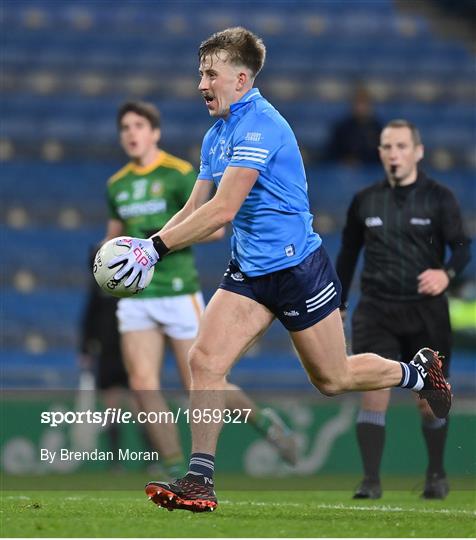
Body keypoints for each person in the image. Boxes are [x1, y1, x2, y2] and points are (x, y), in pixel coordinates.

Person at [108, 28, 452, 513]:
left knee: (332, 380)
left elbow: (224, 210)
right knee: (205, 360)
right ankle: (200, 478)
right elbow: (196, 204)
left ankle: (416, 372)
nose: (201, 84)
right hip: (249, 273)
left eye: (211, 74)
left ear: (242, 79)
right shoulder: (218, 133)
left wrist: (156, 249)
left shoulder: (262, 126)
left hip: (298, 271)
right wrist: (147, 246)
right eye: (199, 73)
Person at [105, 100, 298, 478]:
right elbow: (113, 238)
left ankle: (262, 422)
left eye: (138, 126)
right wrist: (108, 259)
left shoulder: (178, 174)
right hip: (138, 298)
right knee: (143, 384)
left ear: (154, 133)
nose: (131, 134)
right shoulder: (117, 184)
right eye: (125, 127)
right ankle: (177, 468)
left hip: (179, 291)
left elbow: (215, 227)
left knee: (201, 379)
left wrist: (159, 241)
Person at [335, 119, 471, 500]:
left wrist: (445, 274)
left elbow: (462, 248)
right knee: (373, 391)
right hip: (376, 309)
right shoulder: (365, 199)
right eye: (387, 147)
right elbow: (347, 255)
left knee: (429, 400)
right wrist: (340, 302)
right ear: (379, 153)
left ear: (418, 151)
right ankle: (370, 481)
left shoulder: (439, 197)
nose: (394, 154)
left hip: (426, 312)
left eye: (401, 146)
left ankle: (436, 472)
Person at [323, 86, 382, 165]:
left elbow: (380, 155)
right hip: (345, 173)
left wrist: (362, 161)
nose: (361, 107)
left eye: (364, 103)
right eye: (358, 103)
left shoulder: (377, 128)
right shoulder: (342, 128)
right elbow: (332, 153)